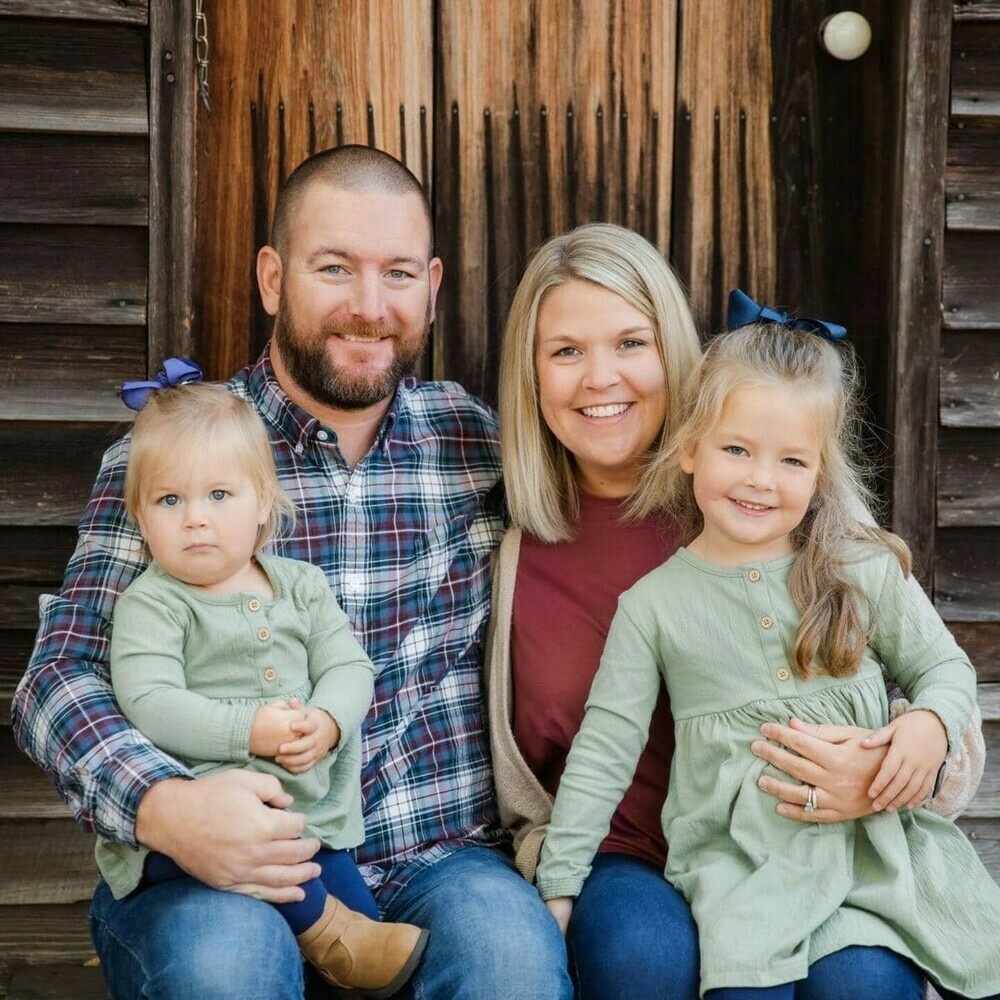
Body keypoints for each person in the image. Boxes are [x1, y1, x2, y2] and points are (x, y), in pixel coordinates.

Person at [13, 145, 572, 1000]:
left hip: (438, 855)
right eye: (334, 269)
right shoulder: (179, 459)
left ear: (431, 285)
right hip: (220, 861)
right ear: (273, 279)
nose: (368, 307)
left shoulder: (477, 445)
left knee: (513, 964)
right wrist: (164, 806)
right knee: (224, 969)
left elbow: (633, 490)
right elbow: (57, 677)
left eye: (394, 274)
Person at [534, 306, 1000, 999]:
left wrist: (930, 725)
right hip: (737, 871)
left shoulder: (858, 568)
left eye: (791, 461)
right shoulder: (654, 606)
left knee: (865, 987)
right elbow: (606, 749)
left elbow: (943, 668)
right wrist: (561, 884)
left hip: (864, 861)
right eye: (736, 450)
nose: (760, 480)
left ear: (819, 473)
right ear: (690, 447)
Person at [102, 378, 427, 997]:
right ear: (139, 515)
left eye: (218, 494)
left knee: (370, 946)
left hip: (310, 820)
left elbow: (350, 668)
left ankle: (343, 942)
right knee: (329, 931)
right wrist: (248, 728)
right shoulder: (154, 602)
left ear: (262, 502)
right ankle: (330, 933)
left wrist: (327, 722)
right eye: (169, 500)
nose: (195, 517)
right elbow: (149, 702)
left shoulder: (300, 585)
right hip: (199, 833)